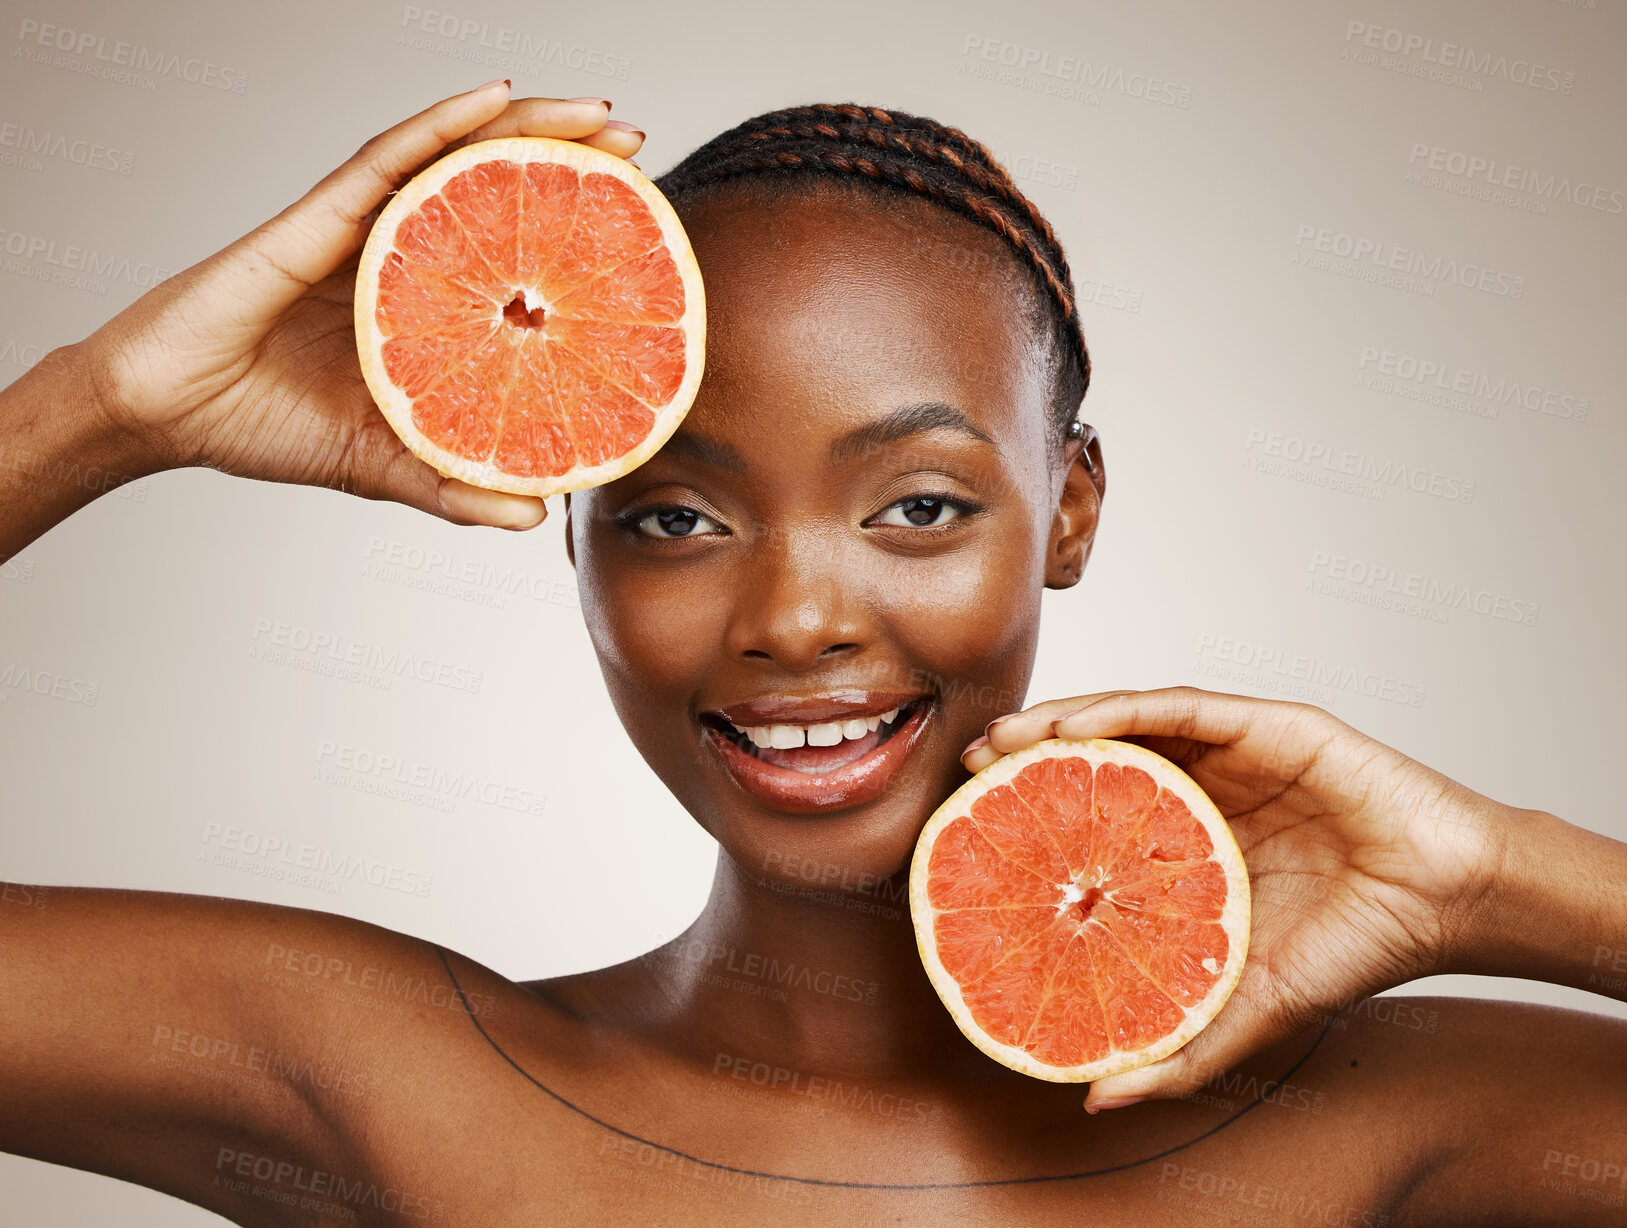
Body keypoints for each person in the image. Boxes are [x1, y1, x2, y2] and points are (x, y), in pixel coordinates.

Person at [2, 81, 1624, 1226]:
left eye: (915, 504)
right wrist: (111, 406)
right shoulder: (397, 1081)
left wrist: (1493, 879)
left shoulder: (1379, 1115)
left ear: (1068, 508)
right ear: (572, 538)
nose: (792, 617)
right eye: (675, 520)